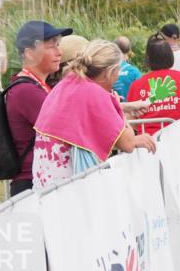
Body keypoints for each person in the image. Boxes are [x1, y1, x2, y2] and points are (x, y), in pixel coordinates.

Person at [32, 40, 157, 190]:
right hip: (69, 184)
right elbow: (128, 143)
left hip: (45, 181)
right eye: (118, 69)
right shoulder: (95, 93)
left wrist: (125, 106)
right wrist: (117, 107)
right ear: (109, 72)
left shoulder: (69, 82)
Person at [6, 20, 71, 196]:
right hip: (33, 184)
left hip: (42, 180)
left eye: (58, 45)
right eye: (51, 46)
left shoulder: (38, 86)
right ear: (29, 53)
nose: (60, 52)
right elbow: (68, 126)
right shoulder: (26, 91)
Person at [128, 33, 180, 135]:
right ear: (171, 56)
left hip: (148, 144)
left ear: (148, 59)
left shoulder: (136, 85)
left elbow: (132, 121)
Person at [112, 36, 142, 101]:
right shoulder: (134, 72)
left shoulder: (107, 70)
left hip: (111, 108)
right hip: (130, 109)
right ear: (129, 50)